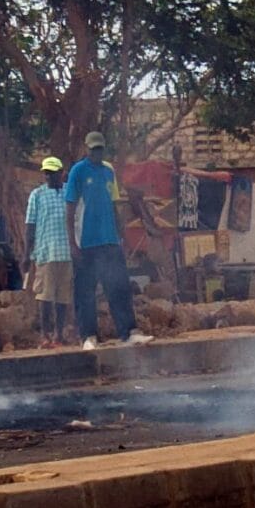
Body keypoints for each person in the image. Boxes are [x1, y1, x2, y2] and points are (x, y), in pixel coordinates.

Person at [65, 132, 153, 350]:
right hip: (86, 243)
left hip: (110, 241)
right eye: (93, 149)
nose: (96, 153)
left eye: (100, 149)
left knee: (119, 287)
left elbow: (114, 204)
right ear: (87, 149)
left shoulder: (108, 171)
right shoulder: (78, 171)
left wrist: (121, 235)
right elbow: (69, 209)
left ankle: (129, 332)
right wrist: (72, 243)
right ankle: (88, 337)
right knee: (85, 291)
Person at [23, 157, 72, 348]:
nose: (48, 176)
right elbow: (30, 226)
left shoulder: (69, 192)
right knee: (45, 295)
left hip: (66, 253)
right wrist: (26, 254)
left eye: (52, 173)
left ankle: (59, 335)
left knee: (62, 297)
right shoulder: (37, 195)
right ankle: (45, 336)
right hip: (46, 252)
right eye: (46, 173)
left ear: (61, 174)